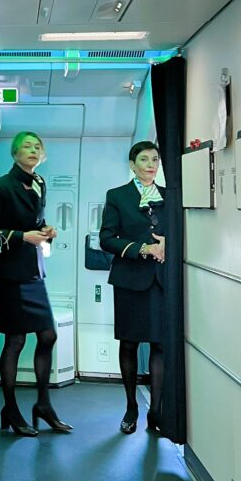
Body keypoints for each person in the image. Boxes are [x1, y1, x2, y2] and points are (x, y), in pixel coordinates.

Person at [0, 131, 73, 437]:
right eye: (27, 146)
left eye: (37, 146)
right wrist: (22, 236)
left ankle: (43, 403)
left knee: (48, 335)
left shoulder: (40, 183)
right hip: (12, 272)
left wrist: (44, 230)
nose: (33, 150)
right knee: (16, 341)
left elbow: (34, 222)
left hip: (34, 271)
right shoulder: (2, 186)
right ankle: (10, 407)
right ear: (15, 153)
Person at [100, 140, 166, 436]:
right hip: (129, 280)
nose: (151, 164)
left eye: (154, 159)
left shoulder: (169, 196)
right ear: (132, 163)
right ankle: (131, 406)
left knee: (160, 344)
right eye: (144, 159)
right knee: (128, 343)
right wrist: (142, 248)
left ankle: (156, 409)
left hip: (160, 280)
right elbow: (107, 239)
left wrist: (167, 245)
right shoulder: (118, 196)